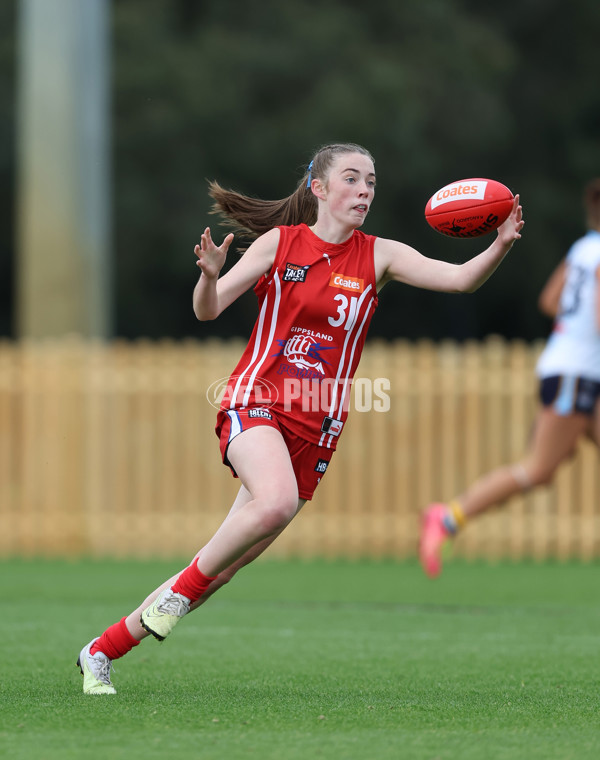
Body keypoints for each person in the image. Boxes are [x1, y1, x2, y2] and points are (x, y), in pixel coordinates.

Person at [77, 142, 524, 693]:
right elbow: (207, 309)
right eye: (353, 179)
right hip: (255, 400)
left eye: (372, 182)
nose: (364, 190)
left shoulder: (379, 255)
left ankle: (101, 650)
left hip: (317, 429)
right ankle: (174, 596)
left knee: (223, 567)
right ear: (319, 187)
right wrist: (210, 276)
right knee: (275, 503)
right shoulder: (280, 243)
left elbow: (458, 279)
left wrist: (500, 244)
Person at [419, 177, 600, 578]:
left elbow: (550, 301)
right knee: (537, 470)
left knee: (542, 468)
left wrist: (577, 327)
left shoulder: (584, 249)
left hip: (569, 366)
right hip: (577, 373)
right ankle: (447, 518)